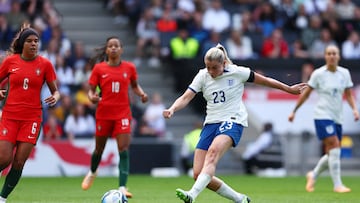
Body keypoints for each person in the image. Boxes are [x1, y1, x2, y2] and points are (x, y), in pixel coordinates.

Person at [163, 43, 306, 203]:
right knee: (198, 174)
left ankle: (192, 195)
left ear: (224, 64)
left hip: (233, 120)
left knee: (212, 154)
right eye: (208, 67)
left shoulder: (238, 72)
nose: (210, 71)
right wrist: (172, 109)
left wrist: (288, 89)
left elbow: (265, 81)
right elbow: (186, 97)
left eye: (214, 68)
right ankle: (240, 199)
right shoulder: (203, 75)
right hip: (211, 123)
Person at [81, 36, 148, 198]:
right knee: (99, 148)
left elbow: (134, 85)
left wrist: (142, 94)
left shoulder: (129, 68)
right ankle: (92, 171)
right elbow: (91, 90)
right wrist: (92, 97)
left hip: (123, 113)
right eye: (110, 46)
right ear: (106, 50)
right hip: (104, 113)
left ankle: (123, 186)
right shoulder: (99, 69)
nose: (113, 48)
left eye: (116, 46)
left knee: (123, 149)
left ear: (121, 49)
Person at [0, 24, 60, 202]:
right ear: (22, 44)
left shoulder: (45, 64)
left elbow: (55, 90)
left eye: (36, 41)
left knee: (19, 161)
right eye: (29, 41)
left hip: (32, 119)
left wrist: (55, 97)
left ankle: (2, 198)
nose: (34, 44)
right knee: (4, 158)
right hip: (10, 116)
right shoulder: (11, 61)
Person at [288, 44, 359, 193]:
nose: (332, 56)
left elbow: (348, 94)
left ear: (338, 56)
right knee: (334, 145)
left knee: (333, 152)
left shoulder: (344, 73)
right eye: (329, 53)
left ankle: (312, 175)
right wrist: (294, 111)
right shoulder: (318, 74)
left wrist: (354, 110)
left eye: (334, 53)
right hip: (322, 115)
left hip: (337, 117)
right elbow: (306, 94)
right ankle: (337, 184)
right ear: (325, 56)